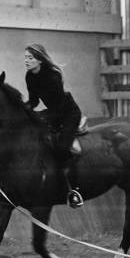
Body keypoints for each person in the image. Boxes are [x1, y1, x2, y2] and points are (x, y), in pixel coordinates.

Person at [24, 43, 84, 208]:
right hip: (53, 113)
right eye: (25, 58)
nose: (26, 61)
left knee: (61, 149)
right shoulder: (29, 76)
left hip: (68, 114)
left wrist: (41, 116)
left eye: (30, 58)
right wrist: (23, 109)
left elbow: (58, 107)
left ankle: (75, 191)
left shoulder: (52, 76)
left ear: (39, 60)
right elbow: (34, 101)